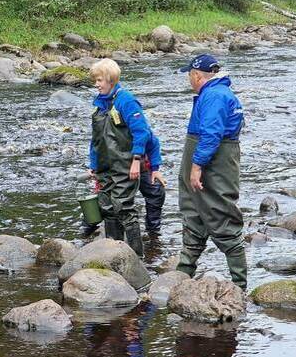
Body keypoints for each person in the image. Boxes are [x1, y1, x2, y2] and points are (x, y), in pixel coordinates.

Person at [175, 54, 246, 290]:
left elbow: (211, 134)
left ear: (196, 75)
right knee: (193, 212)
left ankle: (240, 284)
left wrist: (196, 167)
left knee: (220, 212)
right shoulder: (217, 93)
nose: (188, 80)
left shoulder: (214, 96)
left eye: (189, 75)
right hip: (212, 159)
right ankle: (183, 275)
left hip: (214, 165)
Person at [87, 58, 161, 256]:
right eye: (95, 80)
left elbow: (142, 132)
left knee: (123, 207)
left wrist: (137, 161)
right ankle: (115, 251)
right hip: (104, 167)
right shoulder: (99, 104)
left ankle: (137, 255)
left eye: (100, 80)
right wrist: (93, 165)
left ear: (111, 79)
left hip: (124, 165)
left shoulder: (126, 100)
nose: (96, 84)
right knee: (107, 207)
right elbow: (95, 139)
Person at [81, 132, 166, 238]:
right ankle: (86, 232)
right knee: (102, 201)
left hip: (141, 167)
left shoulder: (137, 125)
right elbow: (96, 144)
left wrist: (155, 169)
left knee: (156, 191)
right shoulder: (103, 124)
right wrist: (94, 166)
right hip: (113, 169)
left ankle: (153, 233)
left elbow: (153, 142)